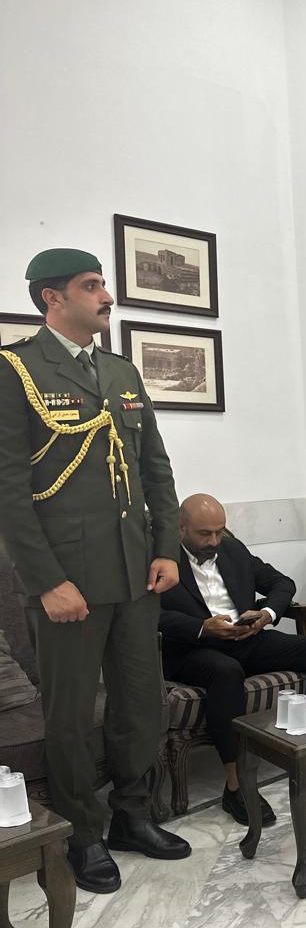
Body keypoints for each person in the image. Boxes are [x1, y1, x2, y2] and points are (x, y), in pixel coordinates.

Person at [0, 248, 191, 894]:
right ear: (52, 298)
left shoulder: (120, 371)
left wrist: (166, 547)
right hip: (68, 581)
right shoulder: (17, 369)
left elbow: (155, 468)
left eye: (105, 284)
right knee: (72, 714)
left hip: (136, 573)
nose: (107, 296)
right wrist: (46, 582)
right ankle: (82, 833)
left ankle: (132, 816)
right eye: (91, 286)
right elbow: (9, 493)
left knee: (139, 703)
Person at [159, 494, 306, 824]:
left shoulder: (232, 549)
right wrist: (203, 627)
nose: (214, 541)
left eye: (220, 531)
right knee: (227, 671)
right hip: (193, 648)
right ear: (181, 528)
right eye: (205, 534)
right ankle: (236, 786)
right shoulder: (162, 560)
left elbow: (283, 583)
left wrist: (265, 615)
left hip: (244, 638)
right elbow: (149, 616)